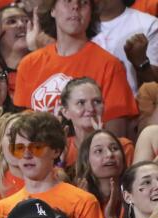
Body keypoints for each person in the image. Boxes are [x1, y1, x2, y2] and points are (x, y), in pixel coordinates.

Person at [13, 0, 135, 134]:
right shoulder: (28, 64)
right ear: (52, 10)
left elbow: (115, 137)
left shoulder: (109, 65)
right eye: (68, 1)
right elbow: (21, 131)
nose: (76, 6)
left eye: (84, 2)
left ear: (91, 13)